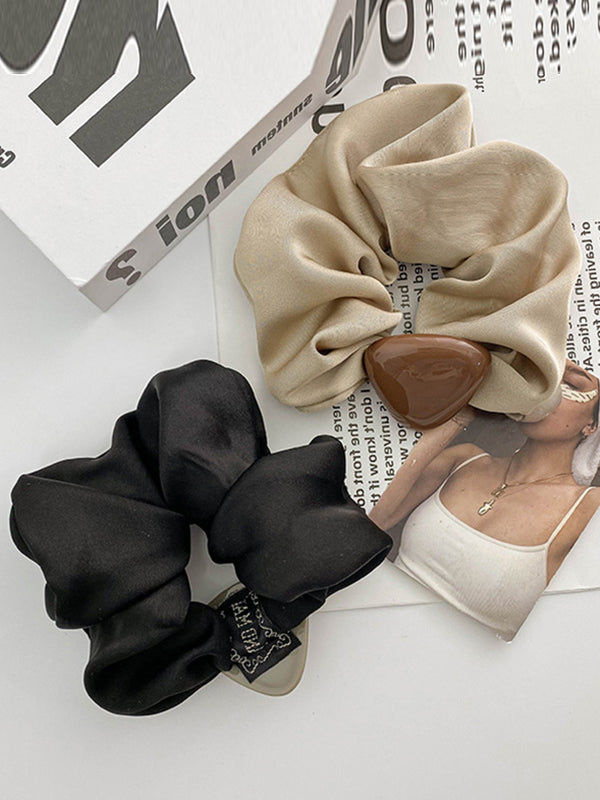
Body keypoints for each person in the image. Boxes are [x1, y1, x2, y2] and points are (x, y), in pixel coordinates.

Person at [369, 360, 600, 639]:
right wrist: (466, 409)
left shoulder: (589, 508)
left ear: (592, 424)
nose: (548, 391)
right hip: (367, 625)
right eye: (541, 378)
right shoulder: (464, 459)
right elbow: (374, 521)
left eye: (571, 385)